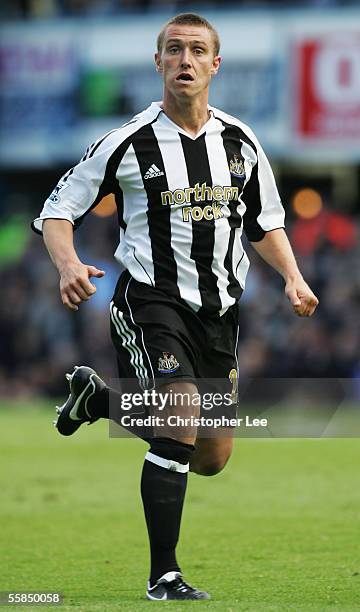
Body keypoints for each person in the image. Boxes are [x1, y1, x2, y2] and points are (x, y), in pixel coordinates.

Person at [32, 13, 319, 601]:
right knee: (180, 419)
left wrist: (292, 277)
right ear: (157, 62)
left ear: (215, 65)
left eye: (196, 51)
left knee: (212, 455)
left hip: (218, 313)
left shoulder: (241, 142)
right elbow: (59, 208)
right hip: (150, 301)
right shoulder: (127, 141)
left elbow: (264, 222)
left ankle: (101, 402)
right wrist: (67, 264)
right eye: (173, 50)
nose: (184, 60)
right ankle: (164, 574)